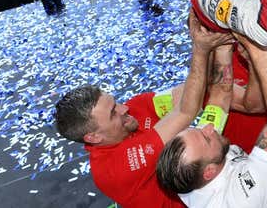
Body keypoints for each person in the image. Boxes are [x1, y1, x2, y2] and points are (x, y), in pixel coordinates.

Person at [54, 11, 234, 208]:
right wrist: (200, 49)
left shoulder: (134, 109)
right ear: (93, 137)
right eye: (113, 113)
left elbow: (189, 94)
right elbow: (185, 112)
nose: (124, 108)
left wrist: (214, 39)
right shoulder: (114, 169)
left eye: (116, 103)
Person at [156, 35, 267, 208]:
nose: (208, 128)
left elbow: (220, 96)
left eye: (198, 129)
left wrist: (223, 42)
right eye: (206, 138)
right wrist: (257, 49)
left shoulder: (191, 171)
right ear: (209, 171)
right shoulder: (241, 199)